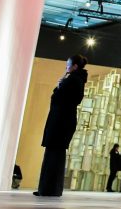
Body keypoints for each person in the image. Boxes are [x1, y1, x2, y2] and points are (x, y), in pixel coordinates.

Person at [35, 54, 88, 197]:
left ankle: (49, 189)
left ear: (75, 66)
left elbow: (66, 99)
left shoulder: (74, 80)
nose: (66, 67)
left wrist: (60, 86)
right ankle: (47, 188)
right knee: (54, 154)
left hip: (61, 121)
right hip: (62, 121)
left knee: (54, 154)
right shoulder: (74, 79)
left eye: (68, 64)